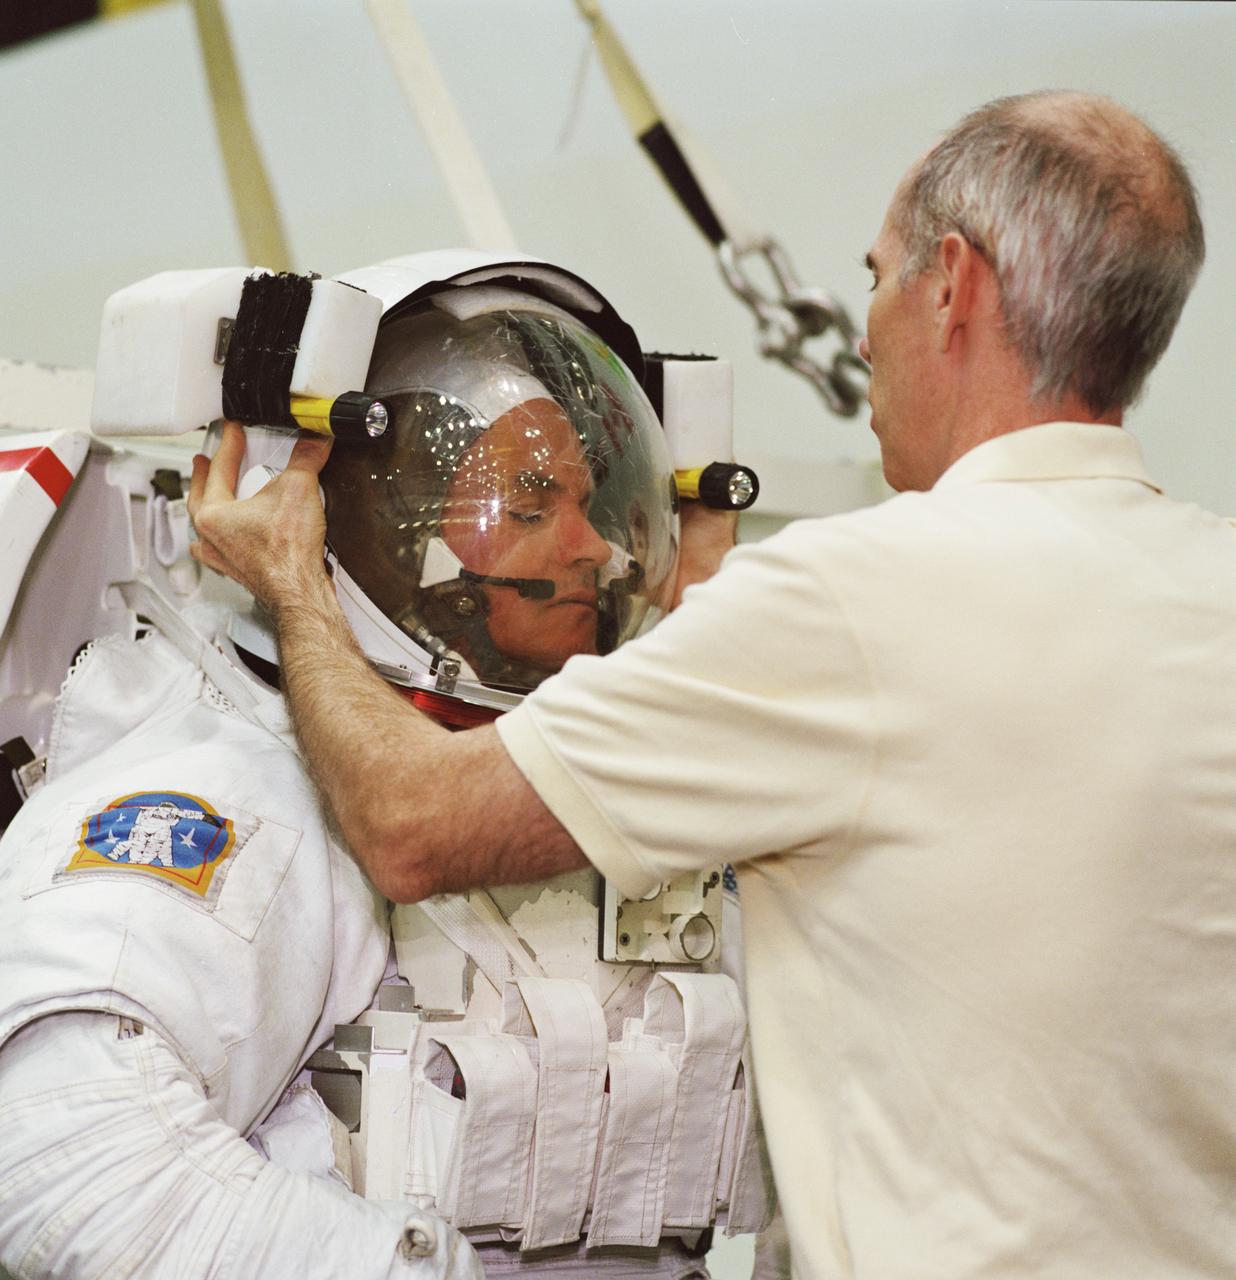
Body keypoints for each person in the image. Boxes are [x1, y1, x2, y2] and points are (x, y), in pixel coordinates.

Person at [189, 89, 1236, 1279]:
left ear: (955, 283)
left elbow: (412, 822)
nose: (860, 333)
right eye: (527, 504)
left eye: (876, 279)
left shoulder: (843, 603)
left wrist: (293, 579)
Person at [0, 260, 735, 1278]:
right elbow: (62, 1155)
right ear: (368, 526)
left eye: (590, 503)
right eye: (529, 508)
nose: (594, 548)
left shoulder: (631, 779)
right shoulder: (233, 787)